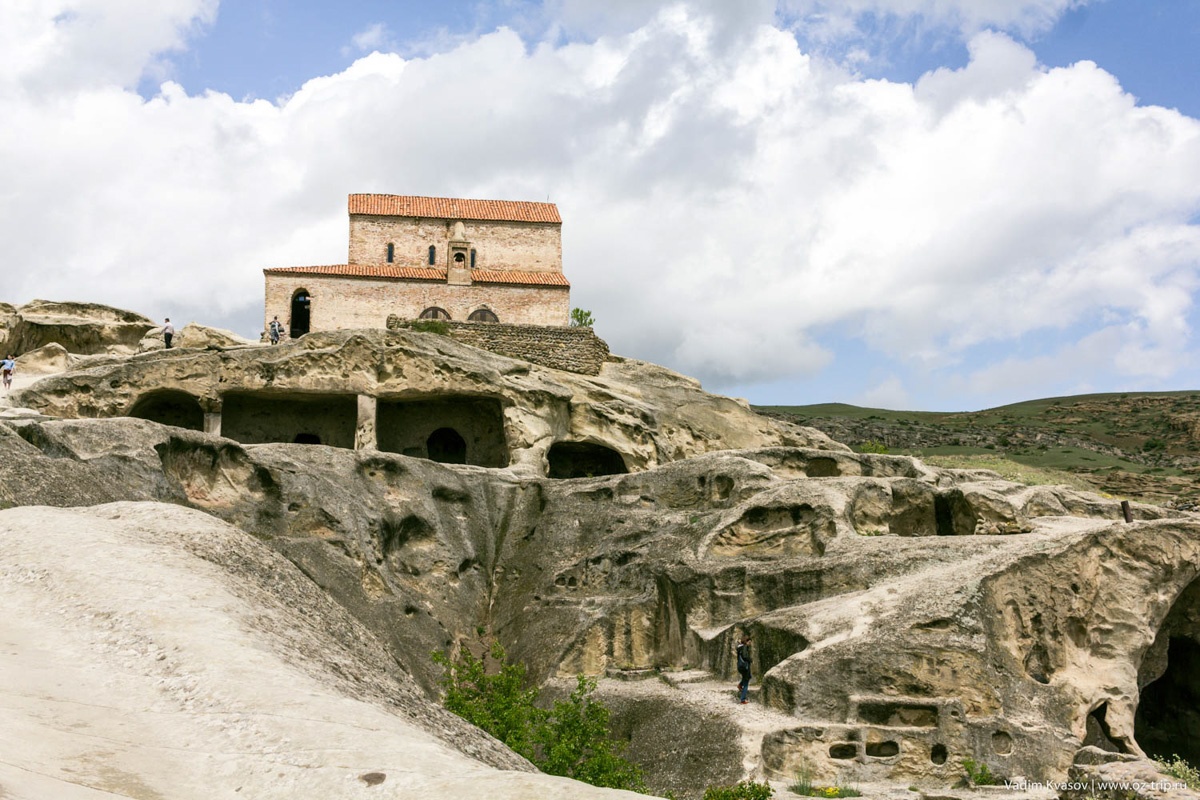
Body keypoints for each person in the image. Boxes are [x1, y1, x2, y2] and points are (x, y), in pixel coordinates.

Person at [736, 634, 752, 704]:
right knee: (746, 683)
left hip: (740, 666)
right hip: (745, 667)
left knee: (747, 677)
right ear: (746, 641)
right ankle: (743, 699)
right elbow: (745, 656)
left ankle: (740, 685)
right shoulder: (744, 647)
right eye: (749, 642)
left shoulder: (740, 647)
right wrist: (750, 659)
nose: (750, 643)